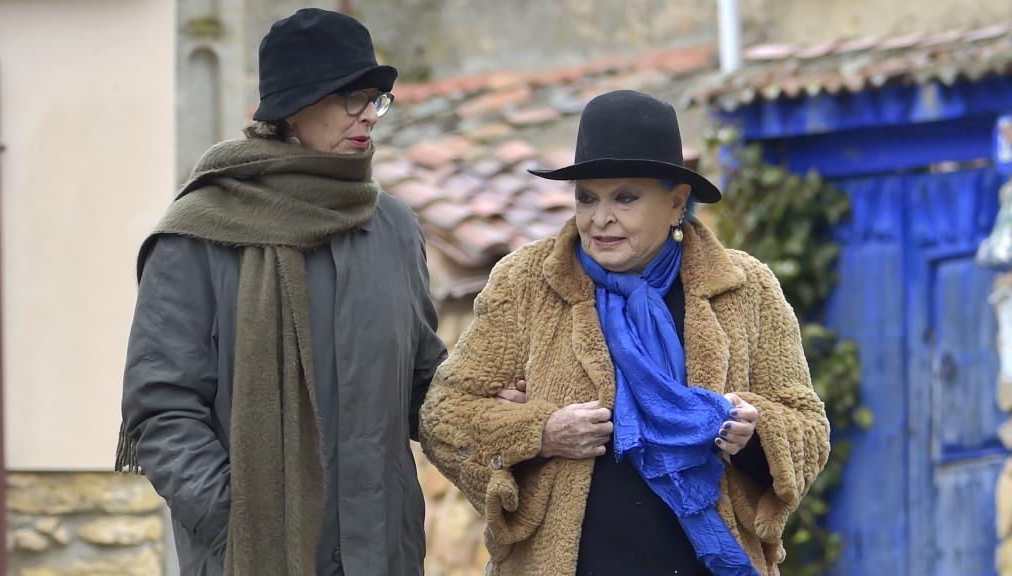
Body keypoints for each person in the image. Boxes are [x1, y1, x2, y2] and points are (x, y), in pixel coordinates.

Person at [419, 90, 830, 576]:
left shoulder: (745, 289)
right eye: (586, 198)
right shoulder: (527, 283)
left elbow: (809, 427)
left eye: (625, 198)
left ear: (677, 203)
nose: (599, 218)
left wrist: (755, 433)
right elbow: (443, 417)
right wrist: (541, 432)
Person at [116, 9, 446, 576]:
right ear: (294, 106)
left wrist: (488, 399)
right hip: (250, 557)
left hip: (384, 557)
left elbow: (420, 381)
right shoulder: (198, 235)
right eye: (351, 96)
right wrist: (239, 522)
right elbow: (161, 409)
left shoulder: (393, 228)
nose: (369, 113)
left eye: (375, 98)